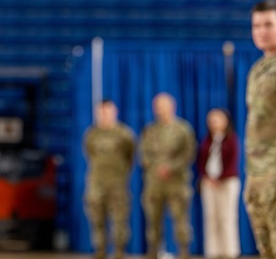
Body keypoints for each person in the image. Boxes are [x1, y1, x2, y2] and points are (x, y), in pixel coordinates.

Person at [243, 0, 276, 258]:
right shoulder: (258, 69)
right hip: (258, 175)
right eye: (256, 26)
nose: (261, 31)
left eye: (268, 24)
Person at [139, 92, 197, 259]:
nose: (159, 110)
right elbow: (143, 154)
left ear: (172, 107)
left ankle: (184, 252)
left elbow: (188, 153)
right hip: (154, 184)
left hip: (176, 183)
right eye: (156, 107)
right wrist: (156, 167)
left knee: (181, 221)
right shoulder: (149, 130)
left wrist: (170, 167)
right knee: (153, 223)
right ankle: (153, 252)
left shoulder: (183, 129)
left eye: (163, 106)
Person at [83, 99, 136, 259]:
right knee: (96, 217)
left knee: (119, 219)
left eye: (107, 112)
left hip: (117, 184)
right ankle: (100, 249)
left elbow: (130, 156)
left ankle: (119, 251)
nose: (104, 115)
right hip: (96, 183)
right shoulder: (92, 134)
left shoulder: (124, 134)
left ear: (115, 112)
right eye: (101, 112)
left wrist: (119, 173)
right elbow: (89, 153)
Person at [197, 108, 240, 259]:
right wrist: (207, 177)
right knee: (211, 218)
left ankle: (229, 252)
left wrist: (220, 178)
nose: (214, 122)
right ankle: (212, 252)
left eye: (217, 119)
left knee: (226, 218)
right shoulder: (207, 141)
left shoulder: (231, 140)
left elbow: (232, 162)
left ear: (225, 121)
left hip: (227, 183)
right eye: (211, 120)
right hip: (209, 184)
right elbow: (201, 162)